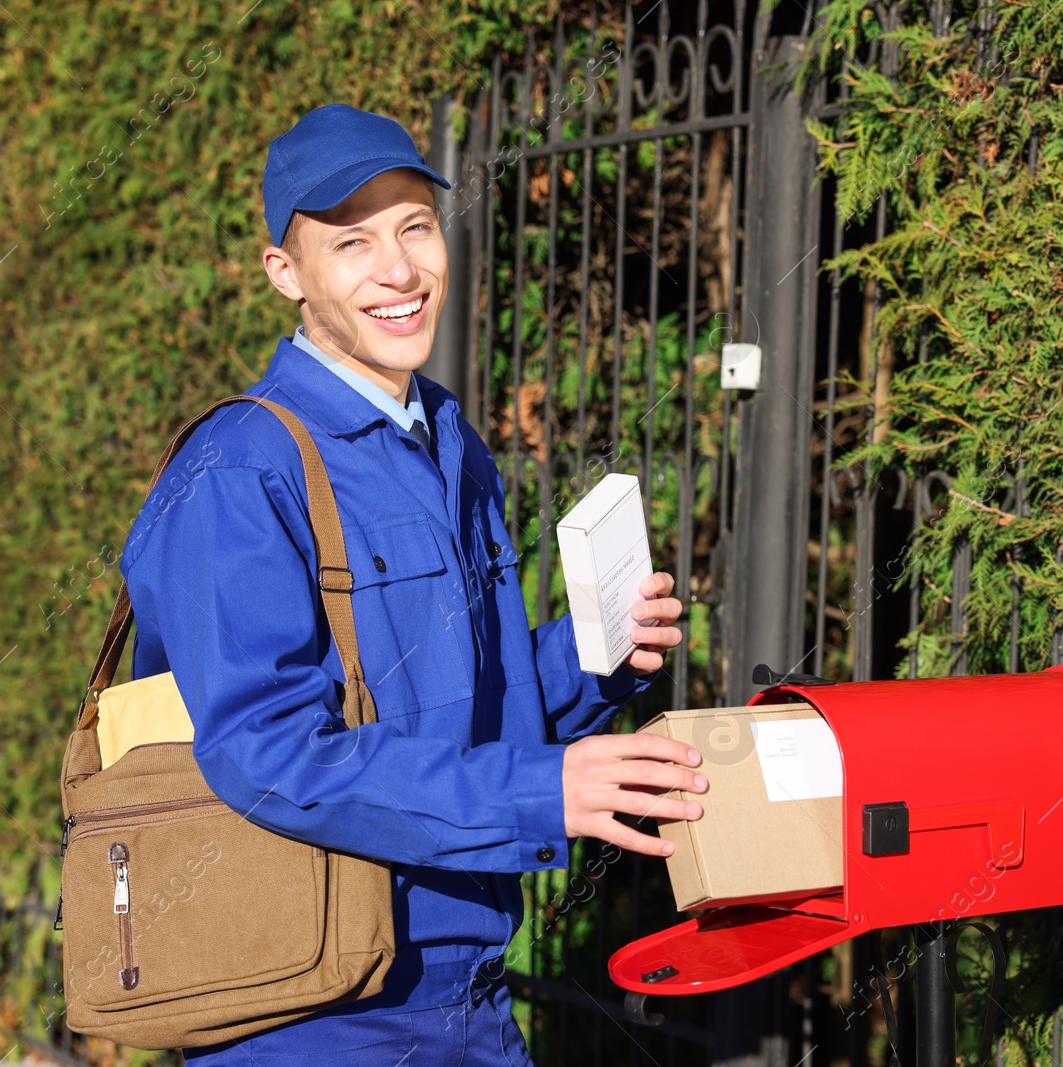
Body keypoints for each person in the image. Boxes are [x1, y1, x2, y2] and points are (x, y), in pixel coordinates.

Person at [119, 103, 709, 1066]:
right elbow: (269, 755)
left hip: (469, 1003)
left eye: (415, 227)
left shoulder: (448, 438)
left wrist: (594, 656)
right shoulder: (238, 472)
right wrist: (537, 790)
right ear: (287, 275)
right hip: (313, 1016)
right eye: (351, 243)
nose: (398, 271)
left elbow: (471, 704)